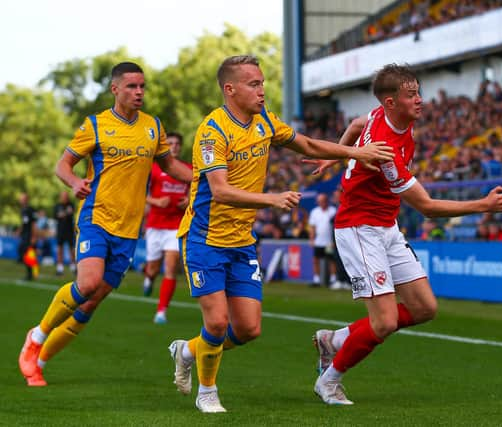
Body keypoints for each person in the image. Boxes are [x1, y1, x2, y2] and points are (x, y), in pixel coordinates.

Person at [167, 55, 394, 414]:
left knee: (247, 330)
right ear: (230, 89)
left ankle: (186, 350)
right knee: (217, 321)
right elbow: (221, 190)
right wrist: (270, 199)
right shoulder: (212, 132)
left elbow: (307, 145)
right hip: (204, 239)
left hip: (241, 241)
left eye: (261, 83)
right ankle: (207, 391)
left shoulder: (265, 122)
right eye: (253, 84)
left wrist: (353, 151)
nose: (262, 90)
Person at [306, 64, 502, 405]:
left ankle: (334, 340)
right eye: (411, 96)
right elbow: (428, 207)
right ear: (391, 102)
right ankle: (329, 381)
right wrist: (484, 205)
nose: (420, 100)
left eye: (418, 92)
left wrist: (338, 156)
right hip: (359, 229)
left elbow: (355, 124)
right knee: (385, 322)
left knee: (424, 308)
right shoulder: (387, 148)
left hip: (386, 226)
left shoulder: (381, 116)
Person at [18, 62, 192, 387]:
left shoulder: (153, 127)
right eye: (131, 86)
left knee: (91, 302)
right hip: (96, 217)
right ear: (115, 89)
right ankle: (37, 337)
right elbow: (63, 164)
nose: (139, 92)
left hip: (128, 229)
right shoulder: (96, 125)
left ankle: (38, 362)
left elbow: (170, 165)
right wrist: (72, 182)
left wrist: (203, 179)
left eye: (142, 87)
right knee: (87, 284)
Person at [141, 131, 191, 324]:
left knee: (171, 267)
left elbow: (199, 191)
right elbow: (139, 193)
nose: (175, 146)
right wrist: (155, 201)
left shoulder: (189, 169)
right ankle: (149, 278)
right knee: (153, 268)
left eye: (178, 143)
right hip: (155, 224)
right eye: (170, 143)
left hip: (177, 225)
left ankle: (161, 311)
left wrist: (189, 201)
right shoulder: (154, 169)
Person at [308, 193, 338, 288]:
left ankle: (333, 279)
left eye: (323, 201)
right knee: (315, 260)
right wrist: (312, 239)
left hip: (329, 242)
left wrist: (335, 241)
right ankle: (316, 280)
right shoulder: (315, 212)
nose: (322, 203)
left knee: (331, 260)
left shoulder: (333, 211)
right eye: (320, 201)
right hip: (318, 241)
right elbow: (312, 227)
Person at [53, 190, 76, 275]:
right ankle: (60, 268)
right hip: (60, 230)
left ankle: (73, 267)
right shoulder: (57, 206)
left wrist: (63, 214)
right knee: (60, 249)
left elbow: (71, 213)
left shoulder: (71, 205)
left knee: (71, 249)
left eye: (66, 196)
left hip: (69, 230)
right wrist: (66, 213)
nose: (65, 198)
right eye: (63, 196)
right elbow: (56, 216)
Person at [16, 192, 37, 280]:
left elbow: (33, 224)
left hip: (29, 235)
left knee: (28, 254)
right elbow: (24, 223)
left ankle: (31, 274)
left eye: (23, 198)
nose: (21, 200)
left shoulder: (30, 210)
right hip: (24, 235)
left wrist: (33, 236)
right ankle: (29, 273)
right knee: (23, 251)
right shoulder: (23, 210)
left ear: (26, 200)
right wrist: (19, 231)